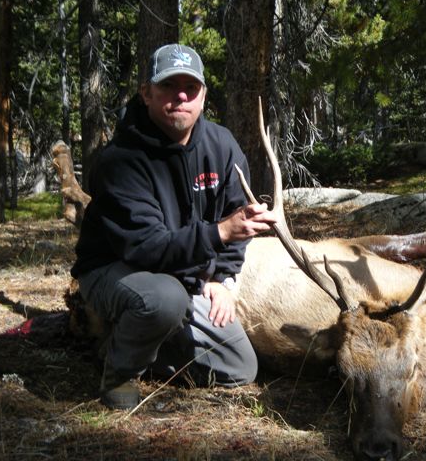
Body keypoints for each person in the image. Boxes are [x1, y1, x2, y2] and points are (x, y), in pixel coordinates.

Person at [71, 44, 277, 410]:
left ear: (203, 97)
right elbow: (147, 248)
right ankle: (119, 370)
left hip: (184, 275)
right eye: (168, 86)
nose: (181, 96)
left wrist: (223, 279)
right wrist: (220, 233)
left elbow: (235, 213)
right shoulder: (121, 160)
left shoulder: (222, 145)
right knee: (163, 300)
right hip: (117, 269)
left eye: (191, 88)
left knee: (239, 368)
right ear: (146, 92)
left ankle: (133, 341)